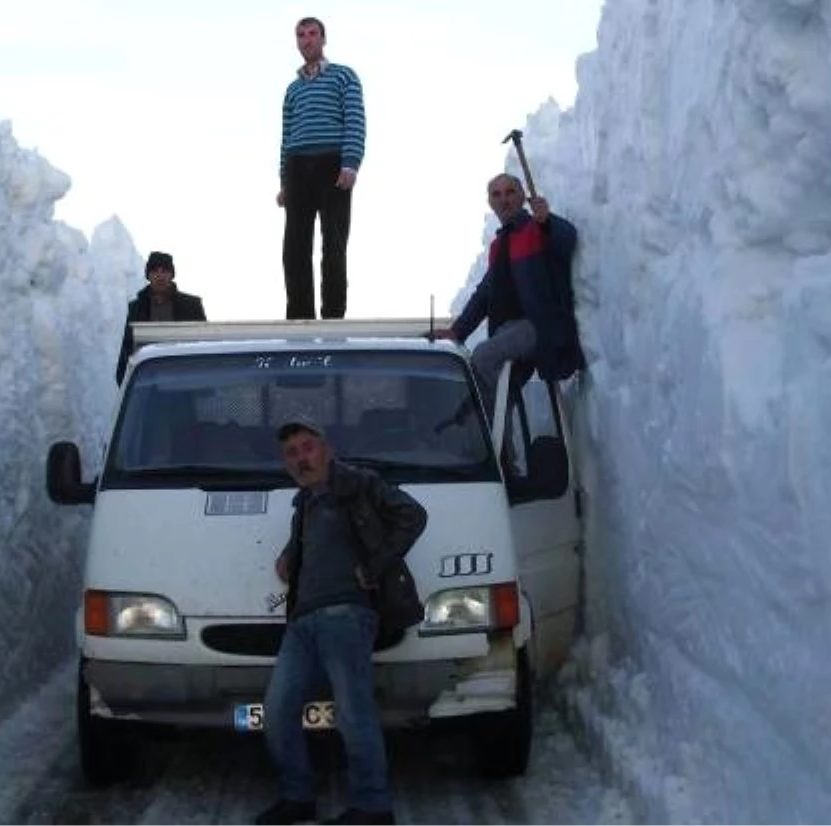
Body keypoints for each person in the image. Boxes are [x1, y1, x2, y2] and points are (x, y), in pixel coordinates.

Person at [256, 414, 426, 826]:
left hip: (347, 615)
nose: (301, 458)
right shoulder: (305, 504)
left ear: (327, 449)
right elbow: (313, 544)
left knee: (353, 713)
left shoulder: (359, 484)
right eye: (291, 454)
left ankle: (373, 807)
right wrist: (288, 557)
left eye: (308, 448)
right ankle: (298, 797)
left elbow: (413, 516)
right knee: (276, 711)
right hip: (302, 623)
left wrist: (374, 566)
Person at [433, 174, 583, 409]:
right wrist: (457, 331)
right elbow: (484, 294)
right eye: (497, 195)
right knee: (491, 388)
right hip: (508, 331)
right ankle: (500, 437)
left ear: (523, 196)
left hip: (538, 325)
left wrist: (547, 221)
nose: (504, 200)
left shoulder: (538, 229)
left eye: (510, 192)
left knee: (483, 357)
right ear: (490, 202)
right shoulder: (499, 246)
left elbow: (567, 239)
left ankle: (497, 442)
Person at [276, 16, 366, 320]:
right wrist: (284, 181)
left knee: (334, 245)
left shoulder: (344, 76)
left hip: (332, 165)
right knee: (294, 248)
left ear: (323, 39)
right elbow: (286, 137)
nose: (307, 39)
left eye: (312, 33)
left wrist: (350, 164)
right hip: (298, 167)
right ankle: (300, 317)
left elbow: (355, 120)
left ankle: (332, 318)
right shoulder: (292, 90)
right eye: (301, 35)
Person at [114, 251, 206, 385]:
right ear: (148, 275)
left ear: (171, 274)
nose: (160, 275)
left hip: (185, 384)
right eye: (155, 271)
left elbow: (202, 347)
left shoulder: (191, 306)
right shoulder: (136, 308)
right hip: (150, 388)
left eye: (164, 271)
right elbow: (127, 351)